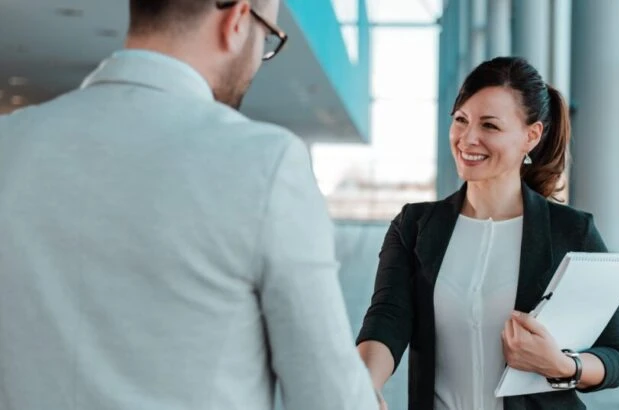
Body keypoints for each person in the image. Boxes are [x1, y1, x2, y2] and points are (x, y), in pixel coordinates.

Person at [0, 1, 381, 409]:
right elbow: (331, 400)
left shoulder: (11, 143)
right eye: (267, 37)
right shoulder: (264, 162)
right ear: (236, 20)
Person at [356, 56, 619, 410]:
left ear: (531, 136)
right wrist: (363, 385)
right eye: (461, 120)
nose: (468, 138)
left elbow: (616, 356)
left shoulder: (573, 232)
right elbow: (387, 318)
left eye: (490, 125)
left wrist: (563, 365)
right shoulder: (414, 225)